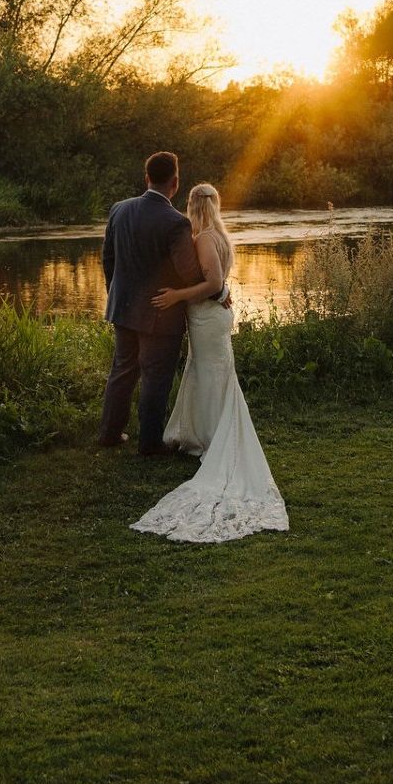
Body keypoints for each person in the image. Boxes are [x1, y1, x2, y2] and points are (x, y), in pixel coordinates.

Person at [131, 182, 289, 543]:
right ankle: (203, 433)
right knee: (206, 373)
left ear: (191, 205)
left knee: (212, 374)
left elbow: (214, 283)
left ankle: (213, 437)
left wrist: (176, 296)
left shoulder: (203, 239)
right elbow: (221, 285)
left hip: (206, 318)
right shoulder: (219, 235)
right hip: (211, 318)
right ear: (215, 206)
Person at [98, 151, 226, 455]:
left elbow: (108, 259)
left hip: (123, 308)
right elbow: (190, 273)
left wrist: (117, 294)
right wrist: (218, 293)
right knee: (156, 378)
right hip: (161, 313)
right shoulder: (176, 223)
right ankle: (150, 443)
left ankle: (109, 434)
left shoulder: (119, 209)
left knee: (123, 370)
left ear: (146, 179)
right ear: (176, 182)